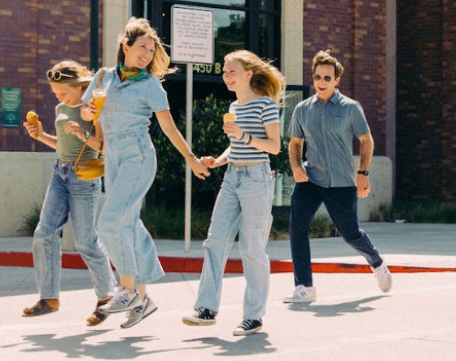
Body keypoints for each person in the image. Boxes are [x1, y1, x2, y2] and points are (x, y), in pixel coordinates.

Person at [83, 17, 209, 329]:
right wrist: (86, 114)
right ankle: (143, 297)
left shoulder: (151, 85)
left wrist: (191, 158)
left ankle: (126, 290)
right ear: (125, 46)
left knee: (110, 222)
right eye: (142, 48)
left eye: (151, 51)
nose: (147, 55)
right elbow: (88, 113)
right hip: (112, 155)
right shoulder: (102, 77)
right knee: (128, 225)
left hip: (137, 155)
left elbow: (168, 126)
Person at [182, 50, 286, 337]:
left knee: (251, 248)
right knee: (215, 241)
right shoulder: (235, 106)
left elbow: (274, 146)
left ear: (249, 73)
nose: (227, 76)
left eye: (232, 71)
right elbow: (237, 147)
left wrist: (242, 135)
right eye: (225, 72)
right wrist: (218, 160)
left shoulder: (265, 105)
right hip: (232, 177)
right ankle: (206, 309)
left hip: (257, 178)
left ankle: (253, 317)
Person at [283, 50, 391, 304]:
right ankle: (304, 286)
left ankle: (377, 263)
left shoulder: (351, 108)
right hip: (310, 179)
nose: (321, 82)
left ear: (337, 80)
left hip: (342, 182)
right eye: (318, 77)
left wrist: (363, 173)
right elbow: (295, 143)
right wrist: (296, 165)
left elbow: (366, 141)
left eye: (327, 78)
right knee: (296, 229)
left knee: (350, 234)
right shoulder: (302, 109)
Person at [21, 60, 115, 325]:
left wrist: (81, 132)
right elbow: (60, 144)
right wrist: (39, 135)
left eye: (62, 92)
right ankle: (49, 297)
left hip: (84, 176)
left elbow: (103, 147)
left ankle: (107, 297)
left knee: (85, 240)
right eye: (55, 93)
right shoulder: (60, 108)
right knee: (44, 232)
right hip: (59, 172)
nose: (58, 97)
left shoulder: (93, 109)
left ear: (78, 86)